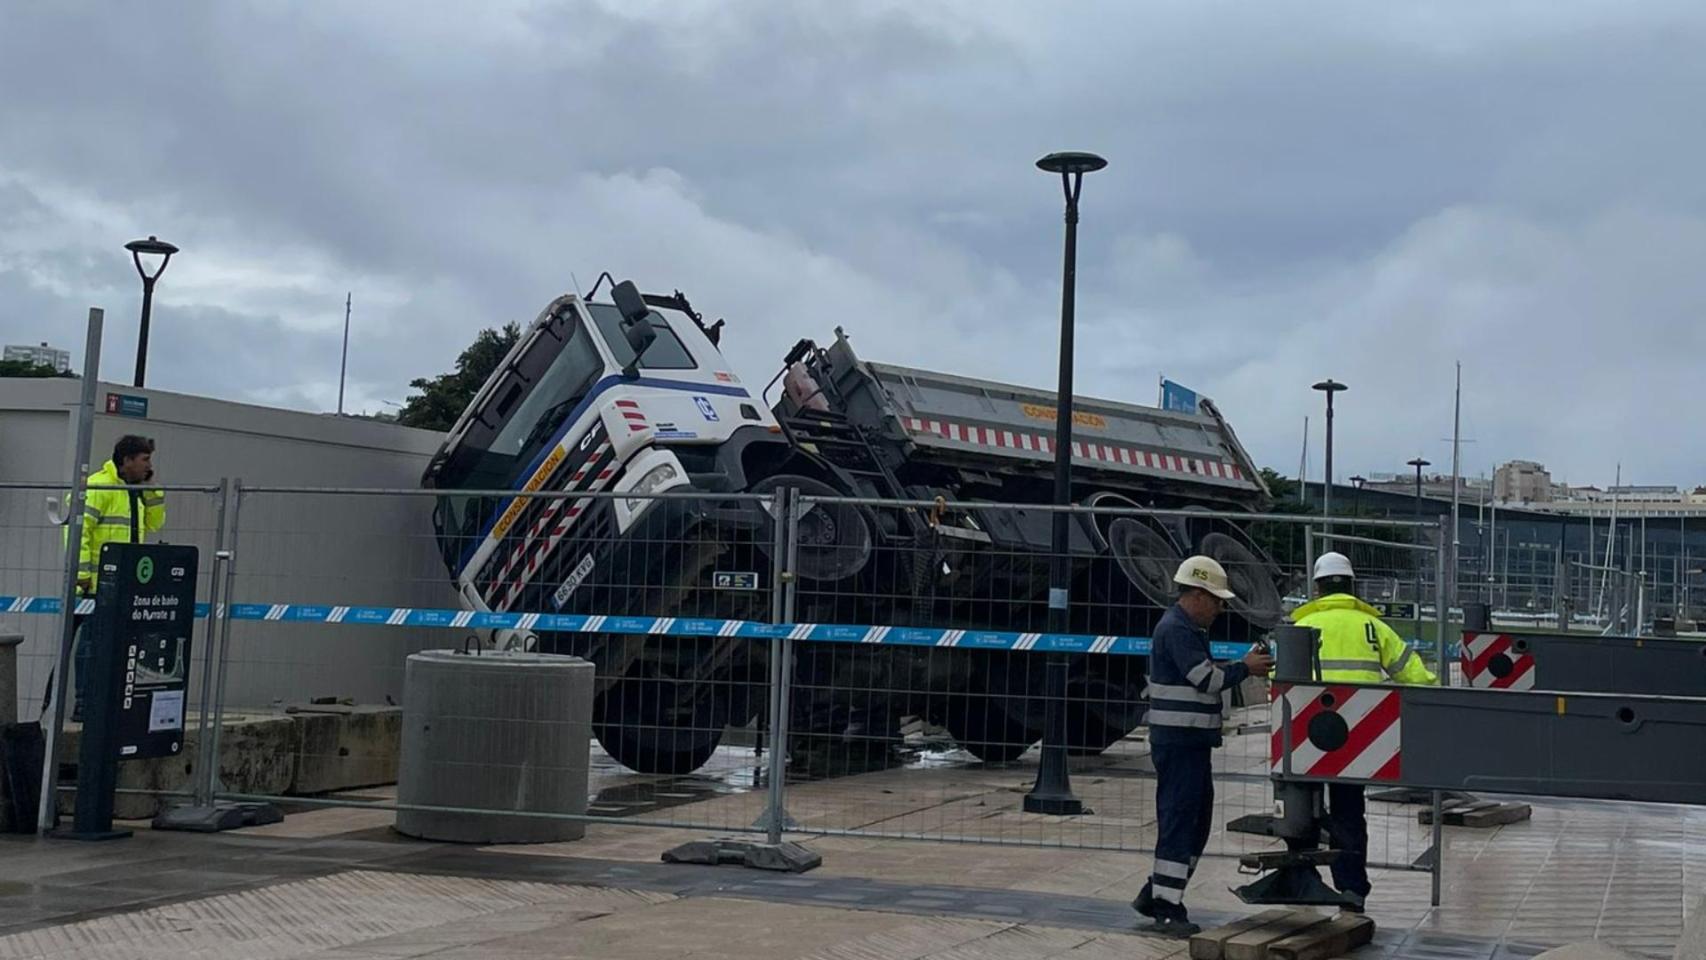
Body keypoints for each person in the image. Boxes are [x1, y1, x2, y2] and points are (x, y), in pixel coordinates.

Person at [1133, 555, 1275, 937]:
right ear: (1196, 594)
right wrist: (1245, 667)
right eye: (1215, 599)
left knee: (1195, 823)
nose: (1219, 608)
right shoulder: (1177, 629)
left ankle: (1158, 892)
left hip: (1189, 743)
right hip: (1180, 744)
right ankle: (1165, 905)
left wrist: (1237, 664)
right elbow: (1205, 679)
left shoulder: (1188, 629)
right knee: (1181, 822)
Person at [1289, 551, 1436, 911]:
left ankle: (1303, 879)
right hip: (1358, 739)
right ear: (1352, 586)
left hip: (1306, 735)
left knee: (1299, 809)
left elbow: (1280, 676)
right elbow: (1413, 675)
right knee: (1349, 813)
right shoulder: (1374, 627)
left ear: (1318, 587)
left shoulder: (1302, 627)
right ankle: (1352, 890)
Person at [66, 435, 165, 721]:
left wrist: (151, 491)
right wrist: (82, 574)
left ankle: (102, 701)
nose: (148, 466)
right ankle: (84, 703)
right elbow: (77, 531)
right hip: (95, 585)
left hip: (123, 584)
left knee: (111, 645)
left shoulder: (132, 492)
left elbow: (154, 523)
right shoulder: (100, 486)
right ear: (127, 461)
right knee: (88, 645)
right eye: (144, 460)